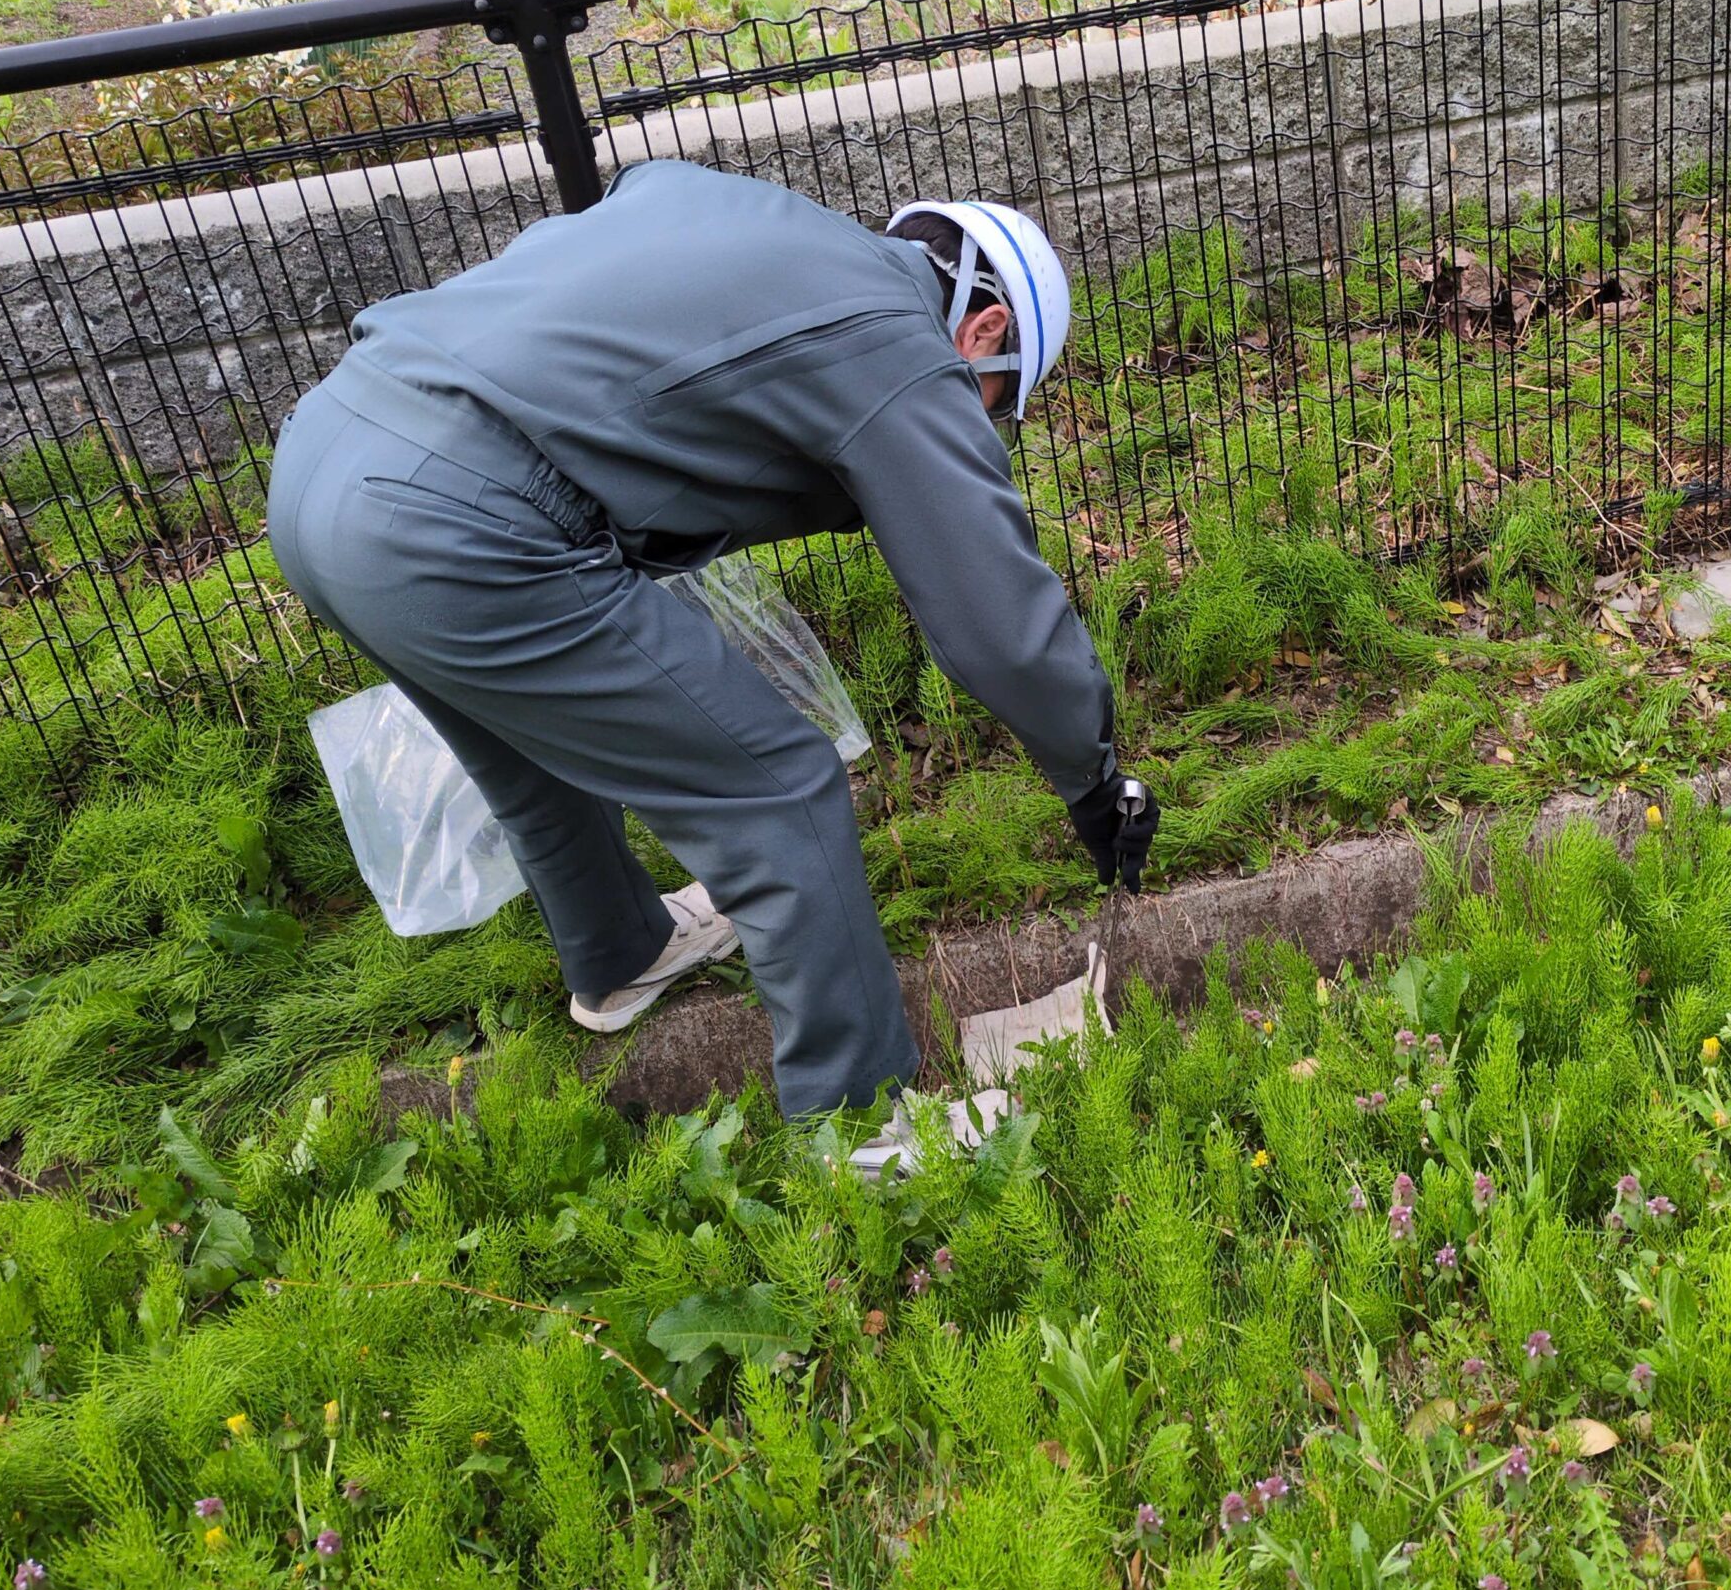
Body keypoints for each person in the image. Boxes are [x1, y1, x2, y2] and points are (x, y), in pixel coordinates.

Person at [268, 163, 1161, 1119]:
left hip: (324, 461)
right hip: (455, 522)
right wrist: (1094, 779)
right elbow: (998, 624)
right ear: (982, 333)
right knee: (780, 793)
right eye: (994, 404)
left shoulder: (748, 220)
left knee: (535, 747)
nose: (975, 422)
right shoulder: (896, 345)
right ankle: (860, 1130)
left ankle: (620, 956)